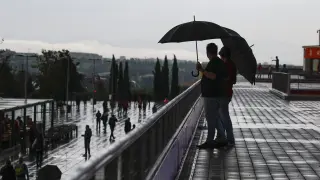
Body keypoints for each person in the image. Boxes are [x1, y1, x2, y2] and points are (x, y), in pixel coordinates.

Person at [196, 43, 228, 149]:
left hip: (211, 95)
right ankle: (222, 138)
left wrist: (202, 70)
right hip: (216, 94)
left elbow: (213, 76)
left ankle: (210, 141)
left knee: (210, 118)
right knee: (215, 117)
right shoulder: (218, 62)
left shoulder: (215, 63)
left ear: (208, 52)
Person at [217, 47, 236, 146]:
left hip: (224, 94)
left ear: (223, 55)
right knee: (222, 116)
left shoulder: (227, 65)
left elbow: (225, 78)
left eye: (221, 56)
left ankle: (229, 139)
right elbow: (234, 80)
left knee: (224, 117)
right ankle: (223, 137)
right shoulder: (232, 64)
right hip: (227, 93)